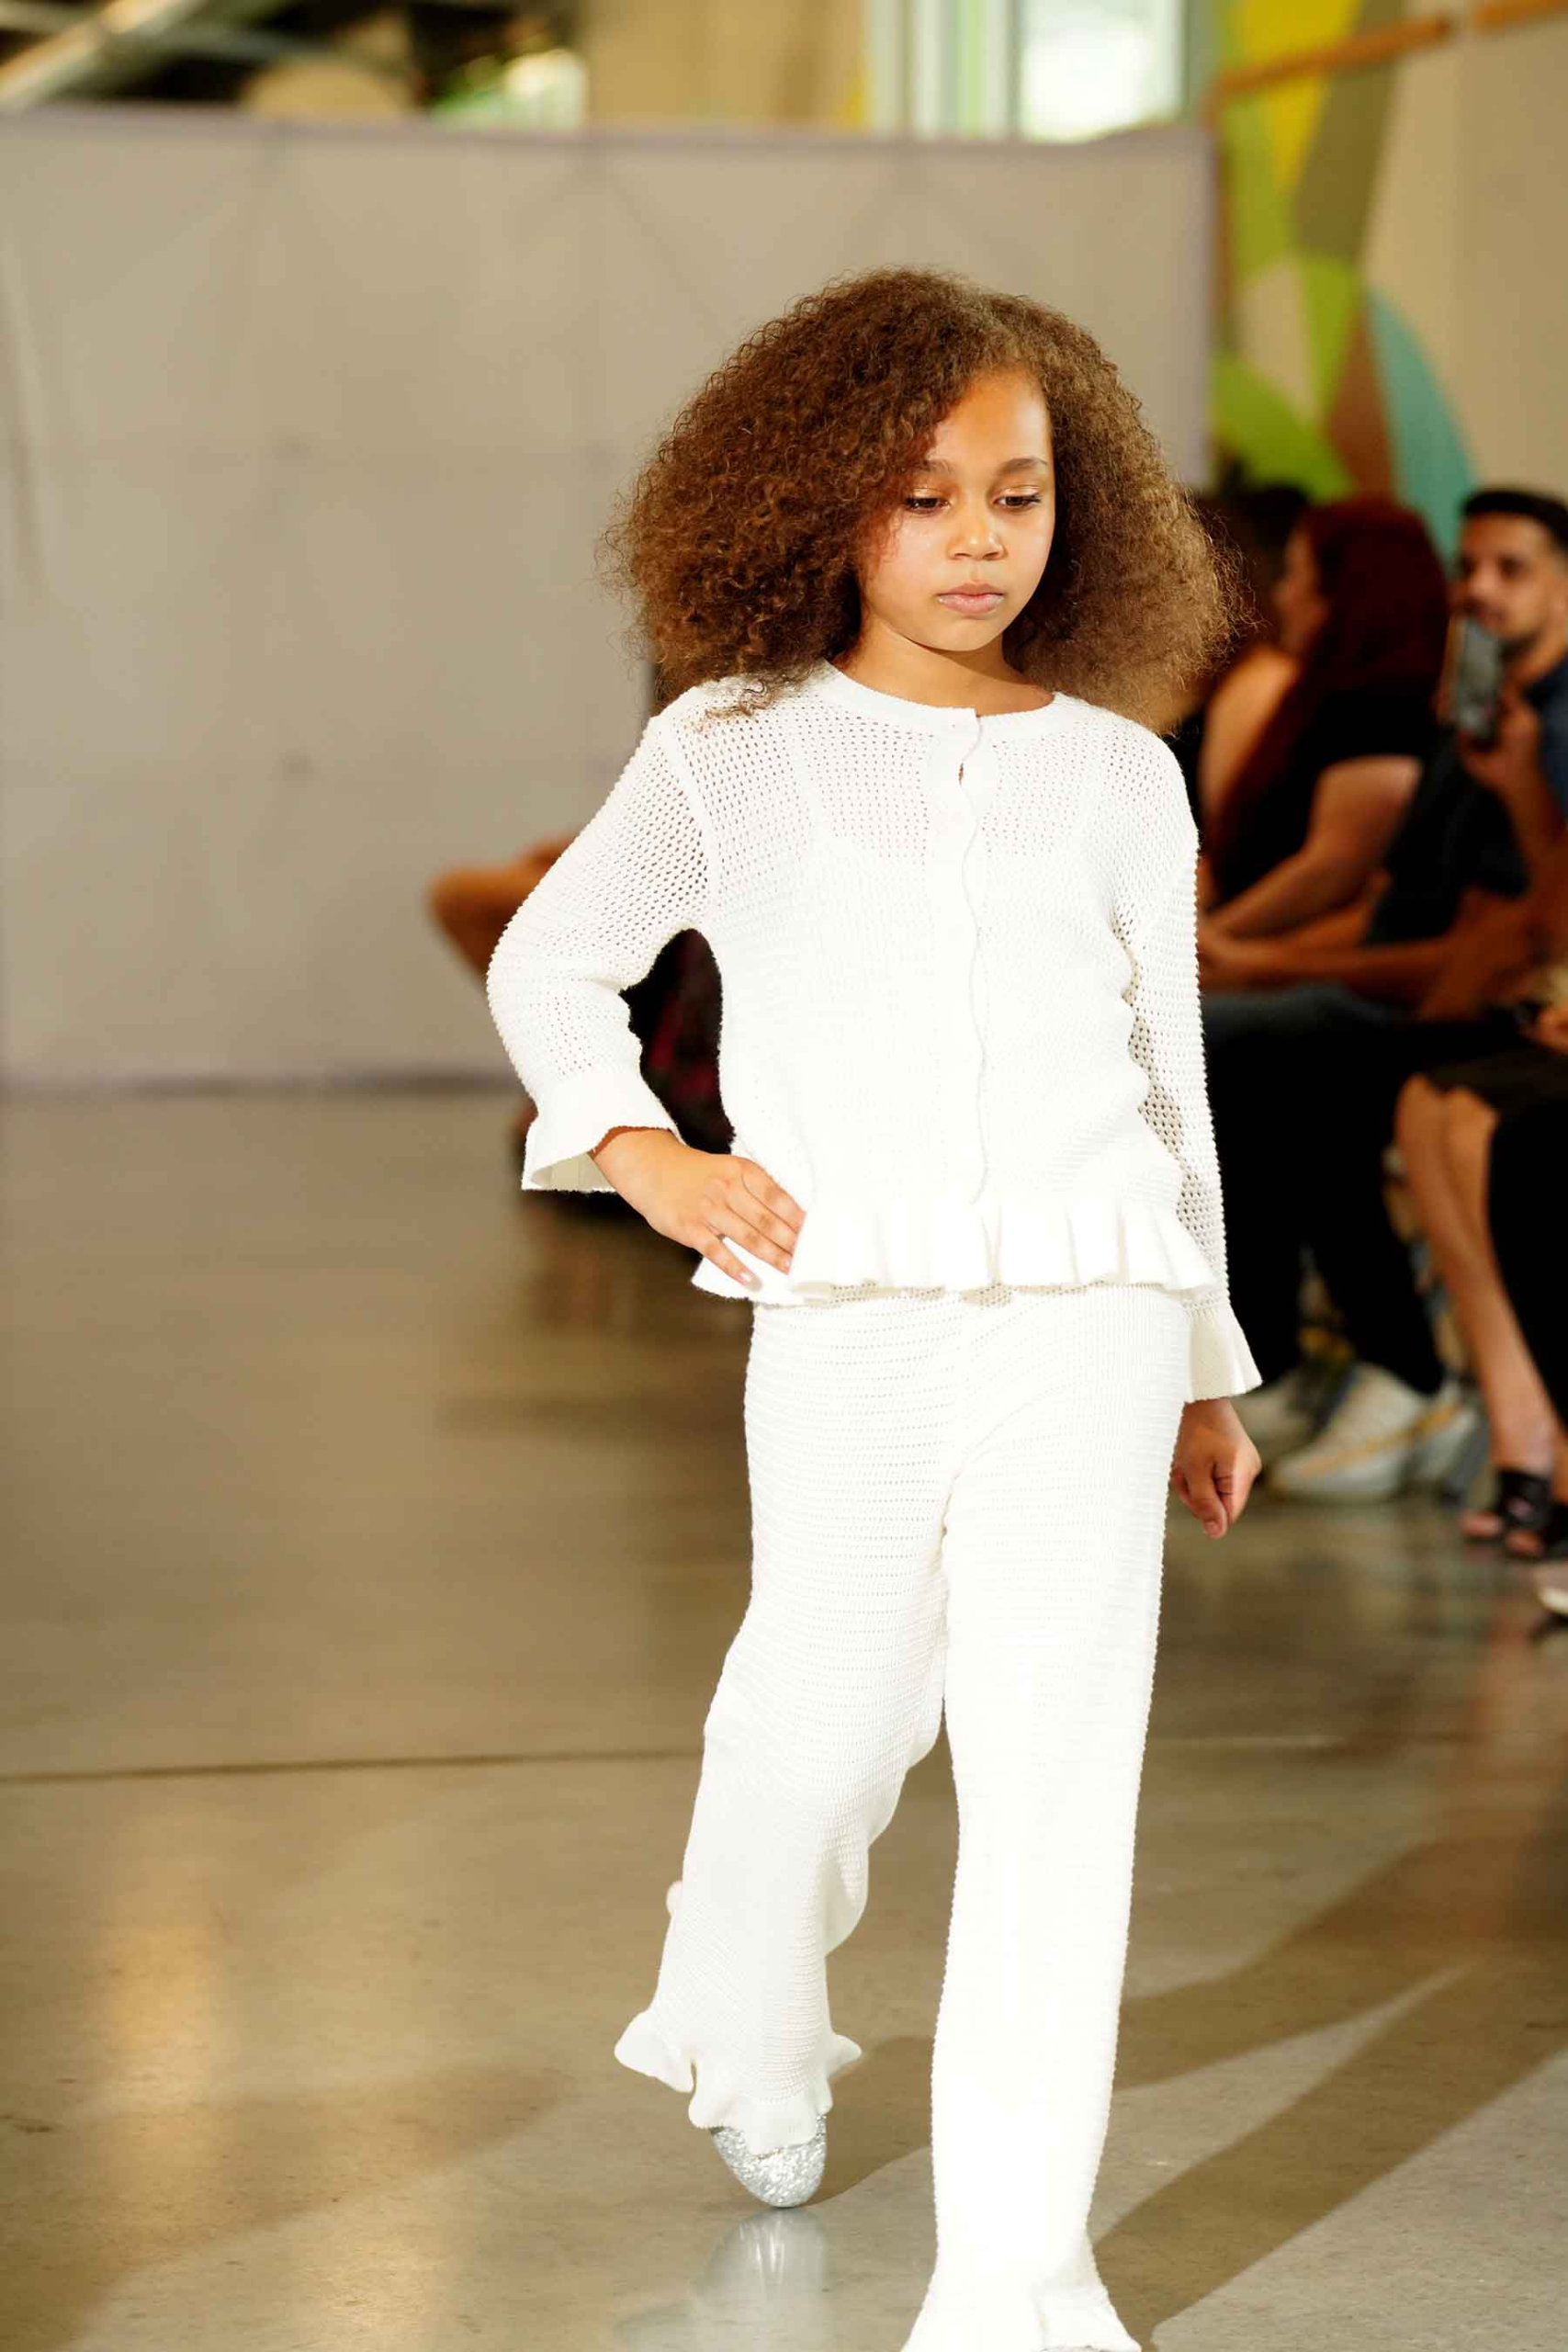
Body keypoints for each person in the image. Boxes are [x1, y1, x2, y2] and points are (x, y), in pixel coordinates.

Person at [485, 266, 1263, 2352]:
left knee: (1052, 1787)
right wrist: (640, 1150)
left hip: (1092, 1318)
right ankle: (744, 2008)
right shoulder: (730, 749)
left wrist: (1200, 1368)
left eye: (1017, 492)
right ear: (819, 502)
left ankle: (1017, 2279)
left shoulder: (1119, 775)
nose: (976, 539)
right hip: (848, 1315)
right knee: (814, 1737)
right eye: (922, 497)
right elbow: (551, 962)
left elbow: (1165, 1087)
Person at [1197, 490, 1568, 1497]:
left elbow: (1497, 941)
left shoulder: (1540, 731)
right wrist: (1247, 953)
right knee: (1244, 1051)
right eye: (1468, 567)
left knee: (1295, 1071)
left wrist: (1259, 959)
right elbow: (1390, 906)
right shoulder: (1473, 717)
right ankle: (1297, 1355)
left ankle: (1404, 1368)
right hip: (1434, 994)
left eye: (1511, 569)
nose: (1478, 591)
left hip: (1476, 1010)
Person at [1198, 497, 1450, 935]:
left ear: (1347, 591)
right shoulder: (1318, 693)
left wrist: (1209, 943)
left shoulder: (1386, 709)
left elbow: (1332, 870)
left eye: (1297, 575)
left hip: (1283, 951)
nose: (1282, 596)